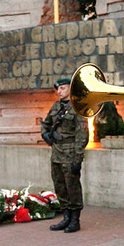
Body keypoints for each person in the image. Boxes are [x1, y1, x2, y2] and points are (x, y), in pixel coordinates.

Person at [40, 77, 88, 233]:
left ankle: (75, 220)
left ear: (70, 89)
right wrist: (45, 134)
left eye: (62, 88)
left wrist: (78, 159)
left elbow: (82, 135)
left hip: (70, 153)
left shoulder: (78, 108)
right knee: (59, 185)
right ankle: (66, 217)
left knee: (72, 187)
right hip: (56, 153)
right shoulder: (56, 107)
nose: (59, 91)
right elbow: (46, 123)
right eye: (58, 89)